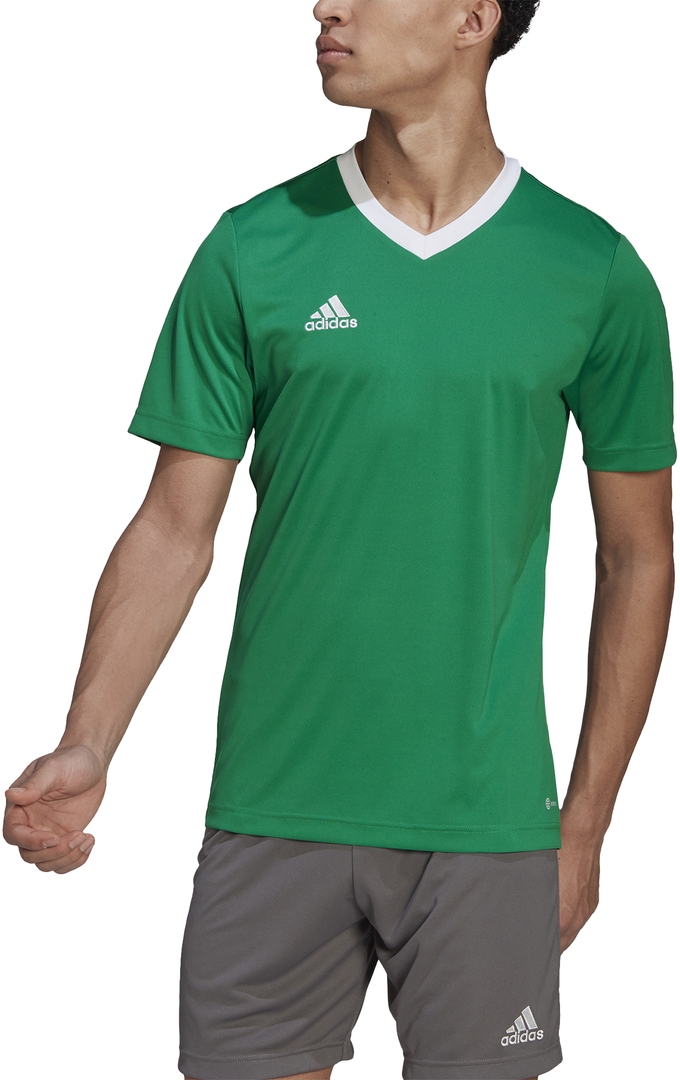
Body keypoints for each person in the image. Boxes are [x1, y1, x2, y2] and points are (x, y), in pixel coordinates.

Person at [4, 1, 676, 1078]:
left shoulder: (591, 269)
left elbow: (638, 558)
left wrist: (586, 825)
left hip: (487, 825)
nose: (326, 5)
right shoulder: (253, 246)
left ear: (472, 17)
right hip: (273, 810)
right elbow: (174, 527)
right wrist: (90, 739)